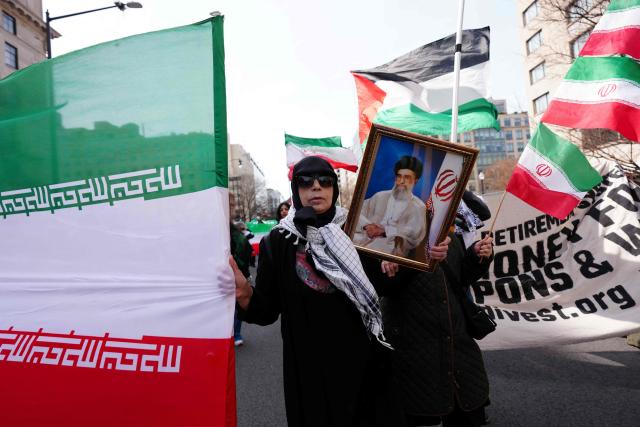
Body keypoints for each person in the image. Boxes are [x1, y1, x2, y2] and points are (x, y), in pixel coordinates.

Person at [230, 156, 401, 427]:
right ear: (296, 191)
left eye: (324, 181)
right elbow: (266, 311)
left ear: (333, 187)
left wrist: (403, 262)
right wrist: (244, 294)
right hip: (308, 368)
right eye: (306, 182)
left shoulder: (357, 230)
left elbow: (386, 287)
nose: (316, 187)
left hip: (362, 360)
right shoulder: (279, 240)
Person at [366, 232, 494, 427]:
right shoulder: (383, 241)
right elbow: (383, 285)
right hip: (413, 355)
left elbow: (461, 278)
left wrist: (477, 257)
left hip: (459, 351)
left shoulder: (451, 237)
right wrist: (423, 255)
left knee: (469, 411)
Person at [353, 156, 427, 257]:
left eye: (407, 177)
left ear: (415, 181)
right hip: (361, 241)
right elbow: (356, 212)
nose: (401, 181)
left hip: (390, 250)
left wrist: (385, 231)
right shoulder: (379, 196)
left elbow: (413, 233)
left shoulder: (418, 206)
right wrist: (367, 225)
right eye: (399, 176)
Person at [229, 201, 253, 347]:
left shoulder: (237, 236)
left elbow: (245, 253)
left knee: (237, 306)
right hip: (213, 279)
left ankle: (236, 333)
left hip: (234, 276)